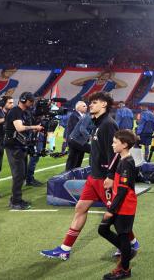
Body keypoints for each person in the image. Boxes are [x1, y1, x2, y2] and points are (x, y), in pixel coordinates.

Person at [40, 91, 140, 261]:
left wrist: (110, 176)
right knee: (80, 208)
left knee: (114, 214)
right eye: (90, 102)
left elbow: (115, 153)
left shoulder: (108, 124)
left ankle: (132, 243)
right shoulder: (98, 124)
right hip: (94, 177)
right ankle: (65, 249)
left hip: (103, 178)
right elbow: (98, 149)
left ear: (104, 105)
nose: (91, 104)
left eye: (95, 102)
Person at [99, 129, 138, 280]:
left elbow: (123, 190)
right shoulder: (123, 160)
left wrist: (111, 209)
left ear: (125, 145)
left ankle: (125, 269)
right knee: (103, 230)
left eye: (115, 142)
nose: (112, 144)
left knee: (121, 235)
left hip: (125, 205)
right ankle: (127, 252)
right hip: (121, 204)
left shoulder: (127, 163)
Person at [4, 92, 43, 210]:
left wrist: (35, 129)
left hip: (21, 146)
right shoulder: (15, 111)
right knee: (18, 175)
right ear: (24, 100)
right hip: (13, 147)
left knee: (22, 174)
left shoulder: (24, 112)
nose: (32, 104)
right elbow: (19, 128)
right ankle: (15, 202)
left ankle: (16, 199)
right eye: (30, 101)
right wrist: (35, 127)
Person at [65, 101, 91, 171]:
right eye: (84, 106)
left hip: (81, 141)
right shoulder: (74, 116)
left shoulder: (83, 116)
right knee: (73, 159)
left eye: (86, 106)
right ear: (78, 108)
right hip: (75, 141)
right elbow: (75, 129)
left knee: (79, 159)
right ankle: (67, 175)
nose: (86, 107)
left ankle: (75, 175)